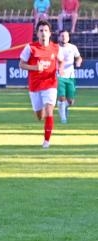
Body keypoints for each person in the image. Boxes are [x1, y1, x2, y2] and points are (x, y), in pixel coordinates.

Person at [19, 20, 64, 149]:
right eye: (41, 31)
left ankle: (46, 141)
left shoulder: (56, 48)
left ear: (50, 33)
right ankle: (43, 113)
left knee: (49, 111)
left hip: (50, 83)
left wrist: (60, 69)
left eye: (45, 31)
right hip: (35, 86)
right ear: (37, 33)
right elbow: (21, 64)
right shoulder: (30, 48)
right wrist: (34, 67)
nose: (43, 33)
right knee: (40, 116)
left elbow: (61, 61)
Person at [57, 30, 82, 124]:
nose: (64, 38)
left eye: (66, 36)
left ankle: (64, 106)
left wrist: (78, 61)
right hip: (59, 76)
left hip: (71, 76)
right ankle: (63, 119)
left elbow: (79, 57)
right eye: (62, 36)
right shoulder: (56, 48)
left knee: (70, 101)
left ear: (69, 38)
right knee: (62, 97)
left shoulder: (73, 47)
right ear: (59, 37)